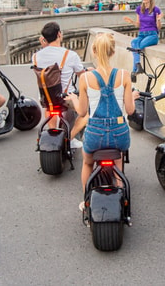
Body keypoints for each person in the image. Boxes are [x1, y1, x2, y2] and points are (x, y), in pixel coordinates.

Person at [67, 33, 137, 203]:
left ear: (94, 51)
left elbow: (82, 113)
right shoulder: (124, 75)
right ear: (113, 52)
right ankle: (122, 198)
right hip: (119, 135)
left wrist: (75, 99)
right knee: (118, 160)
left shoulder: (85, 78)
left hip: (95, 135)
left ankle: (86, 201)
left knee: (87, 164)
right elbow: (130, 110)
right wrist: (132, 97)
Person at [33, 21, 89, 149]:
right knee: (86, 113)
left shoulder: (35, 56)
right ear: (59, 34)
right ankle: (70, 138)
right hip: (65, 97)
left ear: (44, 39)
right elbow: (81, 74)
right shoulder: (70, 55)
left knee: (50, 107)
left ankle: (53, 136)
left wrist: (44, 45)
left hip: (45, 98)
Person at [123, 0, 163, 80]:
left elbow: (159, 27)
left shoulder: (156, 10)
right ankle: (138, 67)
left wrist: (159, 20)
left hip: (152, 35)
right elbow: (138, 24)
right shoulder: (139, 9)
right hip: (141, 34)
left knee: (138, 46)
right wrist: (131, 22)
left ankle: (134, 70)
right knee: (134, 42)